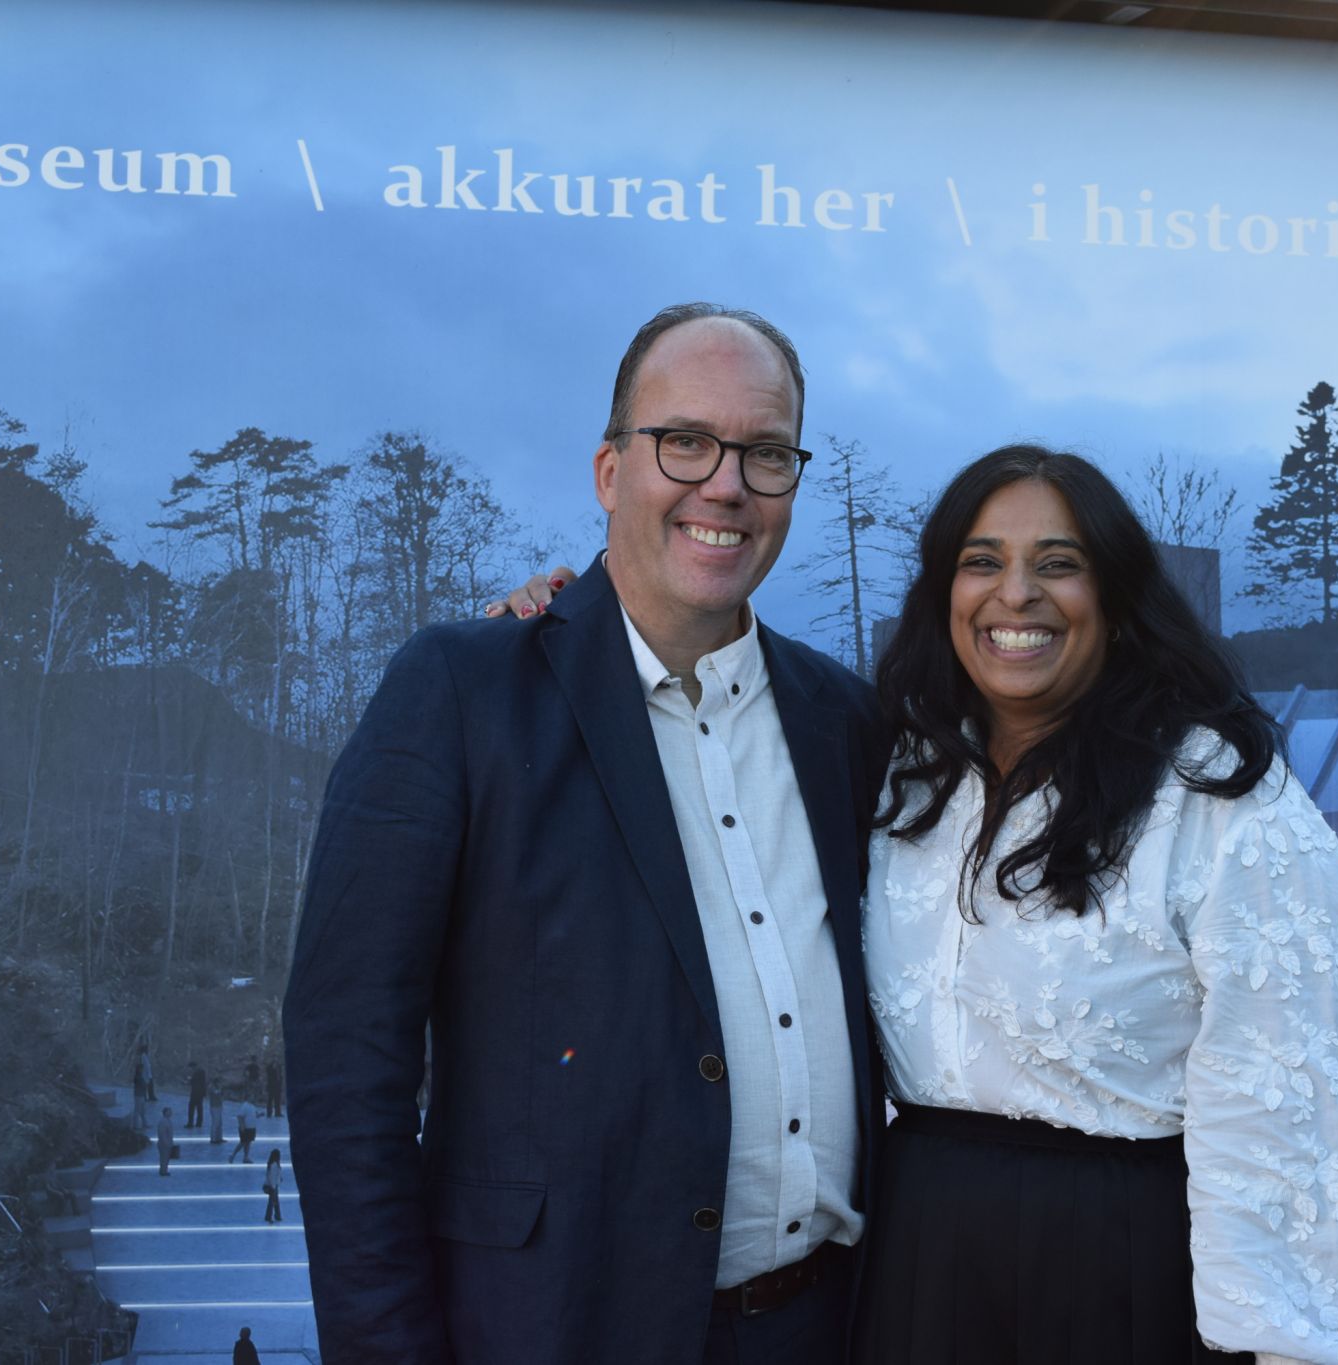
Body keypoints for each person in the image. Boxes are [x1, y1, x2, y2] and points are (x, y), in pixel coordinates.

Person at [284, 303, 888, 1364]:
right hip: (555, 1326)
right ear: (611, 471)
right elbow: (347, 1059)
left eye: (764, 453)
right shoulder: (463, 693)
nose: (725, 485)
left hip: (824, 1328)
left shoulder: (846, 722)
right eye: (685, 441)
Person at [850, 447, 1338, 1364]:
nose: (1015, 593)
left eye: (1058, 563)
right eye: (981, 561)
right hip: (914, 1264)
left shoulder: (1218, 799)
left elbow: (1289, 1124)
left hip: (1115, 1274)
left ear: (1114, 597)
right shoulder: (907, 774)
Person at [233, 1097, 260, 1163]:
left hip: (251, 1128)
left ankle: (246, 1157)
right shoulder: (245, 1106)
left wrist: (260, 1115)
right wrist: (242, 1126)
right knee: (243, 1142)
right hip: (246, 1128)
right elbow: (240, 1116)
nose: (253, 1098)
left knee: (248, 1143)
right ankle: (233, 1155)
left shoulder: (253, 1106)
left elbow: (255, 1115)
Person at [264, 1148, 286, 1224]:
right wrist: (273, 1187)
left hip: (273, 1185)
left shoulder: (272, 1164)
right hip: (273, 1186)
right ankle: (270, 1216)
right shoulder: (274, 1165)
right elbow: (272, 1177)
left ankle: (276, 1216)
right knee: (272, 1202)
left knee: (274, 1202)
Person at [187, 1063, 207, 1129]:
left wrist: (190, 1080)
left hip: (195, 1093)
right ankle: (199, 1123)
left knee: (191, 1108)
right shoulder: (201, 1071)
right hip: (200, 1093)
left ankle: (190, 1123)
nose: (190, 1069)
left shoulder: (197, 1072)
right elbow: (203, 1082)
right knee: (199, 1109)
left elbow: (194, 1081)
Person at [157, 1107, 176, 1178]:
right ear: (165, 1113)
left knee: (165, 1158)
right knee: (164, 1158)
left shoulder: (167, 1121)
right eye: (169, 1111)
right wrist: (167, 1143)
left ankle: (163, 1170)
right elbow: (162, 1134)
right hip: (164, 1144)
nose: (171, 1113)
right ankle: (163, 1171)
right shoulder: (164, 1122)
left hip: (166, 1143)